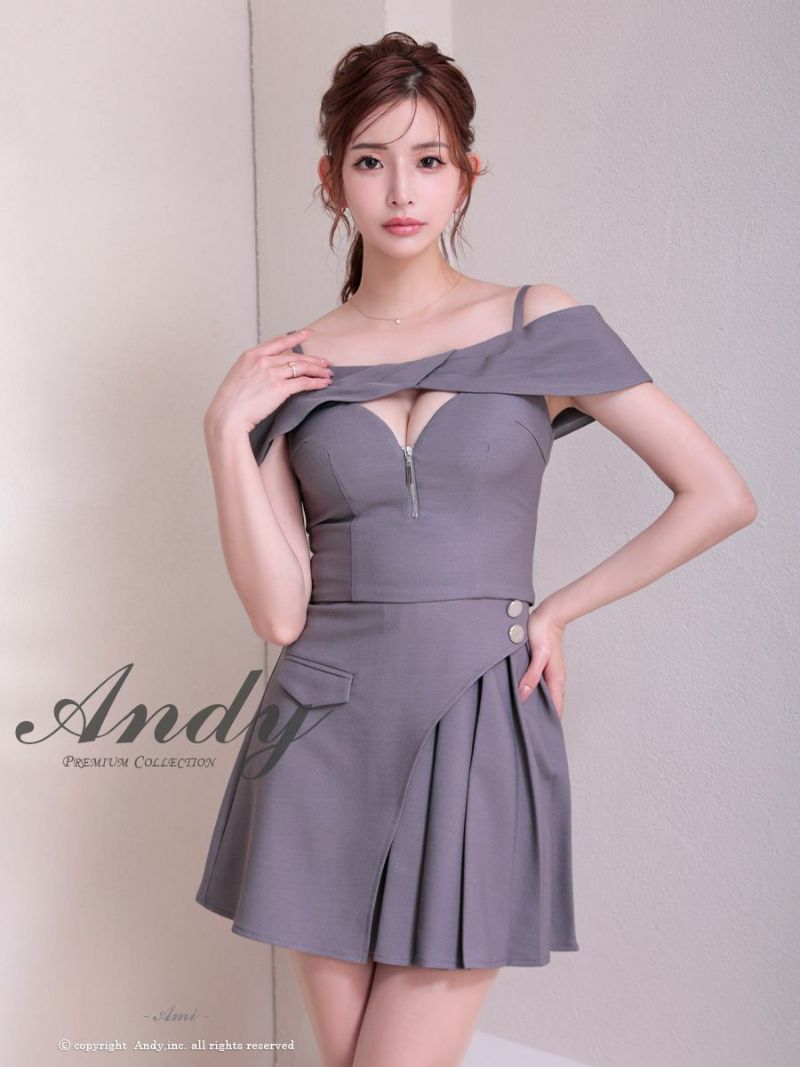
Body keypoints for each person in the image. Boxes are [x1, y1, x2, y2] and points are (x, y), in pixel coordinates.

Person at [195, 31, 757, 1067]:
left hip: (476, 709)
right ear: (330, 178)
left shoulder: (537, 320)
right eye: (370, 160)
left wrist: (557, 609)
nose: (400, 190)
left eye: (427, 159)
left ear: (466, 172)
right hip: (318, 727)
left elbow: (717, 494)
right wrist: (225, 431)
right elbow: (278, 612)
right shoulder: (293, 367)